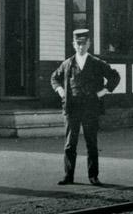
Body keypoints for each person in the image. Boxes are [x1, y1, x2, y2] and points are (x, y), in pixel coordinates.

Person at [50, 28, 120, 186]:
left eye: (84, 43)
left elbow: (115, 76)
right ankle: (69, 176)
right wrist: (61, 91)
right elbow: (54, 78)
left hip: (90, 108)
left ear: (89, 44)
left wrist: (103, 92)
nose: (81, 46)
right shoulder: (68, 63)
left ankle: (93, 176)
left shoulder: (97, 63)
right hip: (72, 108)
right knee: (70, 144)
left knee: (91, 143)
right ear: (73, 44)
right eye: (78, 43)